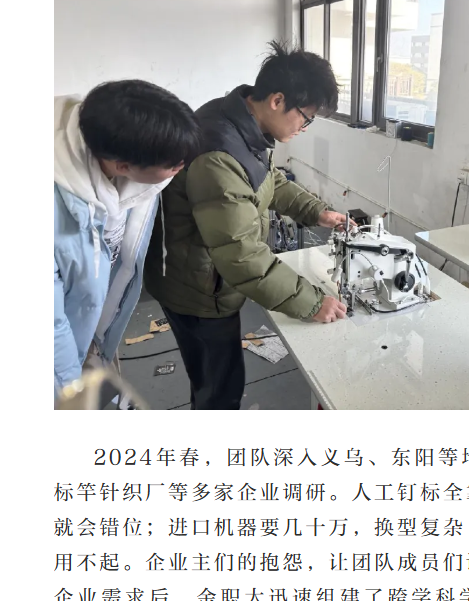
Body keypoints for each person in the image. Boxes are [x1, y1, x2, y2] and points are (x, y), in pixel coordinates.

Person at [145, 41, 348, 409]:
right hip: (198, 291)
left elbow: (268, 180)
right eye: (306, 117)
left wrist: (317, 212)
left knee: (216, 381)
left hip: (203, 274)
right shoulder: (219, 154)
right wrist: (313, 303)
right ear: (277, 100)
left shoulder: (237, 122)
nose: (305, 127)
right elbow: (241, 255)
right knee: (219, 391)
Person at [54, 79, 200, 402]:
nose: (180, 169)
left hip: (91, 324)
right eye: (174, 165)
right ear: (123, 166)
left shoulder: (120, 162)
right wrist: (70, 394)